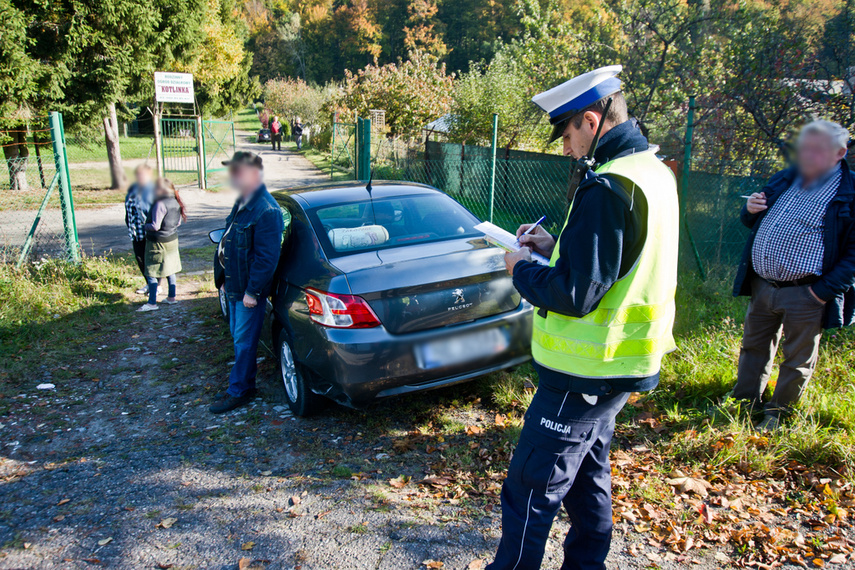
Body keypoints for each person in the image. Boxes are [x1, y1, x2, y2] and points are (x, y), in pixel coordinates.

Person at [488, 65, 679, 570]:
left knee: (531, 487)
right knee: (588, 481)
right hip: (622, 364)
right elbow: (617, 261)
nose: (566, 147)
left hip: (584, 371)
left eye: (567, 133)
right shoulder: (652, 173)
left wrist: (521, 268)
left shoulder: (609, 186)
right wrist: (556, 247)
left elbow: (576, 294)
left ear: (591, 121)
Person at [732, 120, 855, 432]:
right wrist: (750, 208)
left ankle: (778, 414)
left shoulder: (850, 194)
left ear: (839, 152)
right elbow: (752, 218)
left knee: (797, 359)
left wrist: (821, 292)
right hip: (763, 285)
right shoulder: (786, 178)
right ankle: (745, 403)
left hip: (807, 292)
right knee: (753, 347)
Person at [210, 151, 284, 414]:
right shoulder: (242, 202)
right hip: (234, 287)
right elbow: (230, 243)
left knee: (243, 341)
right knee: (237, 336)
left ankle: (239, 390)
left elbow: (266, 259)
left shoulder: (266, 210)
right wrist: (224, 281)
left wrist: (253, 291)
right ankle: (246, 384)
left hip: (248, 293)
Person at [138, 178, 186, 312]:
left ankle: (152, 303)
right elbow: (177, 223)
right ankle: (171, 297)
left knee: (152, 271)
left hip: (158, 243)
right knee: (170, 268)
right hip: (172, 240)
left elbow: (155, 226)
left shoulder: (159, 204)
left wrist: (144, 226)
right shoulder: (175, 202)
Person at [124, 164, 155, 294]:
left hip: (150, 231)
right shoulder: (133, 190)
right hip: (136, 232)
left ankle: (156, 285)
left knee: (153, 259)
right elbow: (128, 210)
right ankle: (149, 283)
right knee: (140, 258)